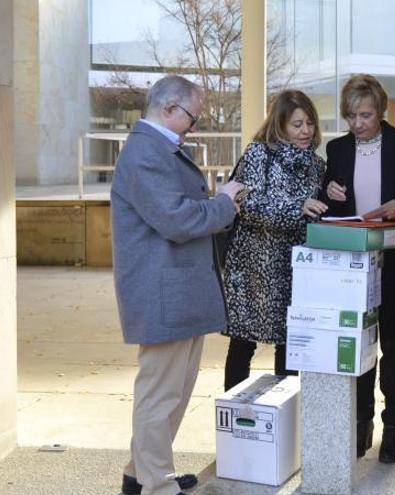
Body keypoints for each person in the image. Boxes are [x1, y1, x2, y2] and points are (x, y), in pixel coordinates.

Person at [111, 75, 244, 495]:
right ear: (169, 108)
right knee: (159, 397)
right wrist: (224, 202)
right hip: (162, 293)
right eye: (192, 116)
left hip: (176, 291)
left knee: (173, 393)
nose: (193, 125)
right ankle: (158, 486)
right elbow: (177, 220)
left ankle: (142, 474)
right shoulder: (145, 153)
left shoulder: (158, 149)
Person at [323, 74, 395, 463]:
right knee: (357, 343)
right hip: (354, 259)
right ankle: (362, 423)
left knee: (394, 343)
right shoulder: (336, 149)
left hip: (394, 258)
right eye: (352, 115)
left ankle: (393, 424)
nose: (358, 123)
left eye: (366, 115)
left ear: (381, 110)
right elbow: (333, 201)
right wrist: (330, 193)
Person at [221, 90, 328, 390]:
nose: (305, 131)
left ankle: (283, 416)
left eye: (309, 123)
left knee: (291, 347)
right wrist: (297, 207)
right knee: (243, 343)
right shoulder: (259, 153)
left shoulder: (316, 165)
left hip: (297, 268)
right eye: (297, 124)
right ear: (279, 125)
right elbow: (247, 203)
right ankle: (234, 415)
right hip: (255, 266)